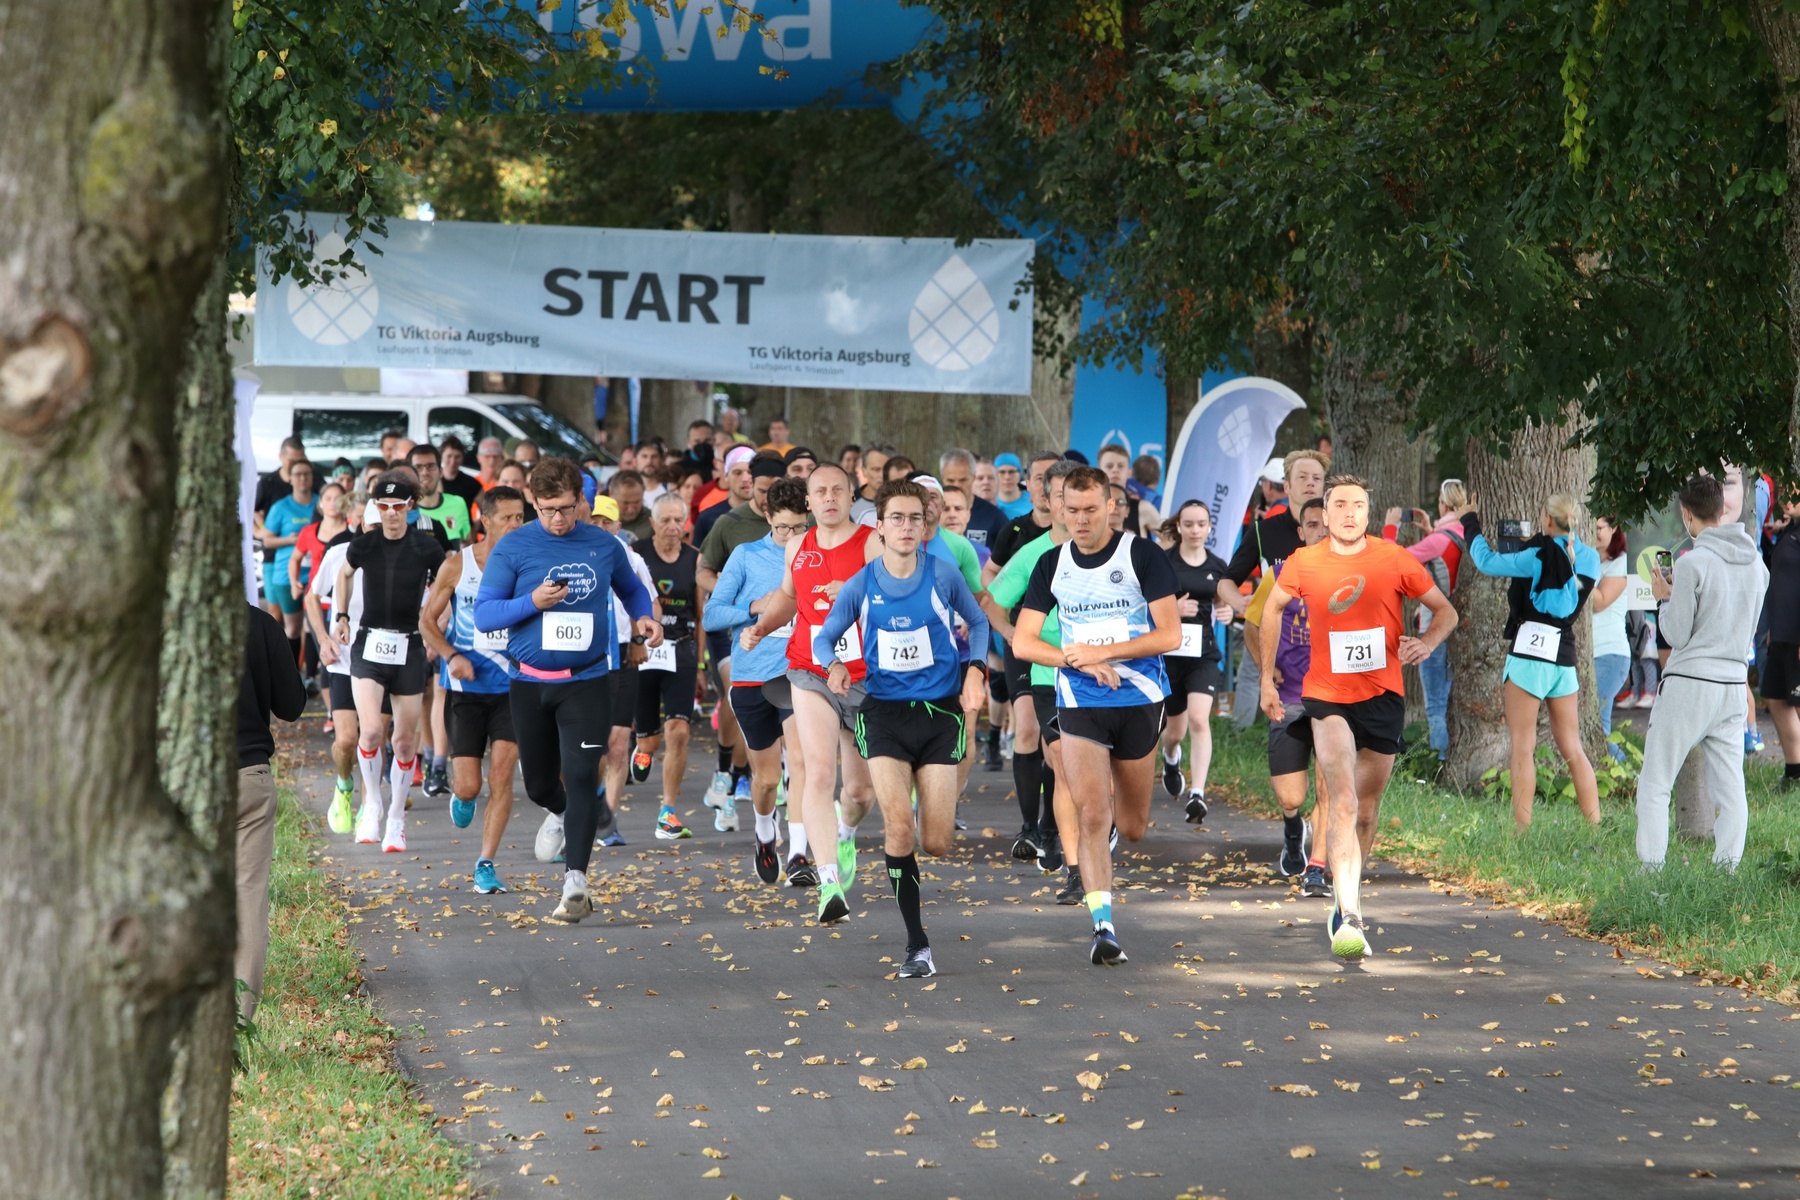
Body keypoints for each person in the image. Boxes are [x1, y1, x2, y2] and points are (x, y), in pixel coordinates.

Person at [1258, 474, 1457, 962]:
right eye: (1340, 505)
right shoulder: (1304, 562)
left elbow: (1445, 611)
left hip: (1383, 697)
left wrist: (1426, 643)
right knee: (1342, 799)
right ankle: (1350, 916)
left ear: (1368, 514)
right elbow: (1271, 611)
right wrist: (1266, 678)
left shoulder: (1394, 558)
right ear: (1325, 515)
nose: (1349, 513)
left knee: (1365, 812)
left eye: (1358, 506)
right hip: (1326, 697)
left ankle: (1349, 893)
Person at [815, 480, 991, 979]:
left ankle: (923, 798)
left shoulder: (943, 574)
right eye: (897, 518)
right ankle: (917, 946)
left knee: (936, 842)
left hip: (939, 715)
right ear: (880, 525)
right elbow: (826, 639)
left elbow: (979, 623)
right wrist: (834, 666)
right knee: (898, 829)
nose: (907, 526)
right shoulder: (861, 584)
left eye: (915, 518)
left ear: (924, 523)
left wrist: (976, 670)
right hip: (884, 716)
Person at [474, 458, 660, 923]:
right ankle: (561, 813)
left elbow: (632, 590)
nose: (557, 518)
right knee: (540, 784)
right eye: (546, 509)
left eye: (565, 508)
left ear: (581, 500)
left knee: (580, 777)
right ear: (533, 503)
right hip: (529, 682)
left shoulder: (603, 543)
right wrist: (531, 602)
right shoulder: (514, 546)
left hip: (587, 680)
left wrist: (644, 617)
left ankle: (575, 881)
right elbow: (486, 614)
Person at [1014, 466, 1183, 966]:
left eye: (1091, 509)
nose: (1081, 520)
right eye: (1072, 510)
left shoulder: (1141, 556)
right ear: (1059, 508)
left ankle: (1107, 833)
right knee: (1091, 811)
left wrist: (1105, 653)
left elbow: (1170, 634)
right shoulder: (1051, 564)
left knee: (1131, 827)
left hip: (1139, 699)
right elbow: (1023, 642)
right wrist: (1075, 660)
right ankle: (1103, 926)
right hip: (1080, 701)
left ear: (1110, 506)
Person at [739, 463, 881, 923]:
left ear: (852, 495)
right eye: (821, 491)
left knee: (859, 792)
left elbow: (900, 595)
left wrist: (857, 592)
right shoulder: (798, 546)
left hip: (864, 679)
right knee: (817, 771)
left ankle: (845, 833)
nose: (830, 498)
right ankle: (828, 883)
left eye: (839, 490)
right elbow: (788, 597)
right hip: (810, 670)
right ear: (809, 500)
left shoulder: (873, 543)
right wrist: (762, 627)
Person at [1636, 474, 1768, 869]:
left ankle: (1651, 873)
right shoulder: (1757, 565)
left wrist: (1664, 599)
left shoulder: (1693, 563)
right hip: (1733, 684)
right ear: (1722, 509)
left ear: (1687, 515)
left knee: (1655, 782)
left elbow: (1677, 633)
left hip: (1690, 684)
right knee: (1730, 789)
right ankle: (1727, 870)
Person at [1466, 494, 1603, 831]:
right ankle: (1595, 826)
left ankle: (1522, 832)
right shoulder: (1590, 558)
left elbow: (1486, 561)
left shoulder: (1534, 555)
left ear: (1547, 520)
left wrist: (1470, 521)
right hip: (1563, 655)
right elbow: (1573, 588)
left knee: (1523, 747)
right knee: (1573, 748)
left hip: (1529, 653)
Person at [419, 485, 527, 895]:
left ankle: (486, 863)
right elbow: (427, 620)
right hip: (466, 688)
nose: (516, 525)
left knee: (502, 775)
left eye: (521, 517)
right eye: (507, 518)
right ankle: (462, 795)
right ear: (486, 520)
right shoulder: (458, 565)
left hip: (513, 687)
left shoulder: (529, 565)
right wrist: (450, 656)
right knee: (469, 785)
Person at [985, 459, 1084, 898]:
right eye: (1059, 496)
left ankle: (1065, 827)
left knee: (1089, 771)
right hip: (1045, 667)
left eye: (1075, 497)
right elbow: (993, 599)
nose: (1068, 506)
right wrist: (1010, 634)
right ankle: (1051, 840)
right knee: (1056, 755)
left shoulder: (1119, 552)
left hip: (1101, 672)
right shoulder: (1032, 552)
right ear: (1048, 500)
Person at [332, 473, 446, 853]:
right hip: (369, 643)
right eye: (384, 507)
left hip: (409, 646)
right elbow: (344, 574)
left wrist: (435, 628)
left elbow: (445, 587)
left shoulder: (426, 547)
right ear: (376, 508)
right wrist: (342, 616)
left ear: (410, 507)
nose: (391, 514)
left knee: (403, 741)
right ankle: (372, 806)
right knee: (369, 733)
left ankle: (396, 817)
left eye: (398, 507)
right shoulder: (364, 544)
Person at [705, 478, 811, 883]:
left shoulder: (816, 554)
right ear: (767, 518)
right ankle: (765, 832)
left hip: (799, 674)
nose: (790, 535)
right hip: (753, 676)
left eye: (798, 527)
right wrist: (754, 607)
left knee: (800, 761)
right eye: (783, 527)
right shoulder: (746, 556)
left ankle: (799, 855)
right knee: (767, 780)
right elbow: (712, 615)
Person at [1244, 497, 1334, 892]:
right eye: (1313, 525)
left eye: (1326, 524)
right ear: (1301, 532)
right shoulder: (1279, 574)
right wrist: (1266, 671)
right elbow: (1252, 625)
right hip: (1289, 695)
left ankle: (1317, 867)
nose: (1321, 531)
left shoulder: (1348, 577)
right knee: (1291, 796)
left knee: (1329, 786)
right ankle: (1293, 827)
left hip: (1332, 697)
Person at [235, 603, 308, 1019]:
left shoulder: (164, 621)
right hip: (249, 774)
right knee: (248, 897)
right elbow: (292, 706)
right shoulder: (260, 624)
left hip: (185, 779)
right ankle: (238, 1020)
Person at [628, 495, 705, 840]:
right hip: (646, 649)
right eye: (666, 521)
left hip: (682, 648)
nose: (673, 527)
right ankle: (643, 749)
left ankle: (668, 811)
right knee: (651, 739)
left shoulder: (695, 558)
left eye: (679, 520)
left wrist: (701, 663)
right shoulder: (638, 554)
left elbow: (700, 616)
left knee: (679, 731)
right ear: (653, 523)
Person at [1381, 480, 1473, 759]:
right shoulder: (1466, 534)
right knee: (1450, 699)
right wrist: (1429, 530)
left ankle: (1440, 761)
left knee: (1435, 703)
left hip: (1435, 626)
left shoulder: (1438, 541)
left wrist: (1390, 528)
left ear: (1443, 505)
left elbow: (1391, 561)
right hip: (1461, 627)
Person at [1157, 501, 1233, 822]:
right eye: (1188, 524)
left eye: (1201, 524)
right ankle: (1171, 756)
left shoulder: (1217, 565)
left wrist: (1226, 611)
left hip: (1202, 655)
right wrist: (1172, 610)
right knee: (1174, 731)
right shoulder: (1164, 562)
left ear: (1209, 527)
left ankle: (1198, 794)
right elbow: (1144, 605)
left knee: (1200, 720)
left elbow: (1222, 600)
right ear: (1179, 527)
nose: (1195, 530)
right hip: (1169, 654)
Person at [304, 491, 368, 832]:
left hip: (382, 659)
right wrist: (323, 639)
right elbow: (312, 597)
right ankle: (344, 785)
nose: (365, 523)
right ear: (351, 520)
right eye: (359, 517)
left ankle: (371, 805)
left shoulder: (399, 554)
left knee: (374, 737)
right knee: (346, 740)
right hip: (343, 659)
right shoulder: (338, 553)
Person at [261, 458, 318, 662]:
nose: (302, 478)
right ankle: (291, 672)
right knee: (293, 627)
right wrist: (290, 540)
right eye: (298, 474)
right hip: (287, 575)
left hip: (315, 574)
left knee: (313, 626)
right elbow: (267, 540)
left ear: (312, 478)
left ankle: (310, 673)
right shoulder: (281, 507)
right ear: (290, 479)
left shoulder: (321, 503)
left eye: (306, 474)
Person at [1761, 493, 1800, 787]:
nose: (1787, 498)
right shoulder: (1791, 529)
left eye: (1794, 492)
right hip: (1781, 632)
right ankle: (1794, 771)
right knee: (1775, 697)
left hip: (1796, 635)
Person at [1591, 515, 1634, 760]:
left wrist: (1574, 572)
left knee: (1598, 727)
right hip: (1592, 653)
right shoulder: (1591, 561)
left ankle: (1626, 772)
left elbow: (1600, 602)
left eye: (1599, 528)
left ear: (1615, 528)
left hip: (1610, 655)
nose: (1594, 532)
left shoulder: (1621, 563)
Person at [939, 448, 1007, 548]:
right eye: (951, 480)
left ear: (973, 478)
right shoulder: (932, 513)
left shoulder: (995, 516)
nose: (957, 485)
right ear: (942, 479)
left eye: (963, 480)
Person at [1097, 443, 1160, 535]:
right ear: (1098, 472)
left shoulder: (1143, 508)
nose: (1115, 470)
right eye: (1109, 466)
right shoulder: (1087, 507)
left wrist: (1139, 543)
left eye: (1120, 466)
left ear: (1129, 472)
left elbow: (1171, 539)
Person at [608, 470, 654, 543]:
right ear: (611, 493)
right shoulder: (598, 521)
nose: (631, 510)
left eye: (636, 502)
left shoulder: (654, 524)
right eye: (625, 503)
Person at [439, 436, 484, 508]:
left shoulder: (471, 483)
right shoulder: (433, 482)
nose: (453, 461)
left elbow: (486, 509)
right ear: (442, 456)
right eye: (449, 456)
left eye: (457, 457)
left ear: (462, 458)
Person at [993, 452, 1032, 519]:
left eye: (1011, 472)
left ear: (1020, 474)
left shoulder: (1033, 501)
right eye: (1002, 472)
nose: (1007, 477)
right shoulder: (989, 503)